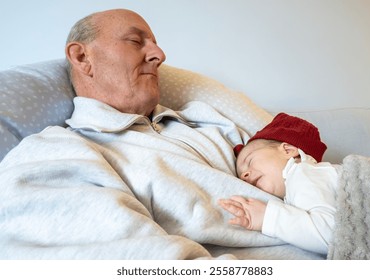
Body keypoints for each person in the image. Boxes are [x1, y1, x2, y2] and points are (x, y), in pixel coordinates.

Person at [0, 9, 285, 260]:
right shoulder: (57, 151)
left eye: (156, 45)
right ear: (82, 56)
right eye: (136, 42)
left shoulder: (206, 120)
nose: (160, 56)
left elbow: (302, 172)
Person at [218, 113, 339, 255]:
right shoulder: (295, 186)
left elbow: (333, 238)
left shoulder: (302, 172)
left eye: (250, 162)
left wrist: (266, 217)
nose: (244, 176)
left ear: (288, 150)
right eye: (241, 176)